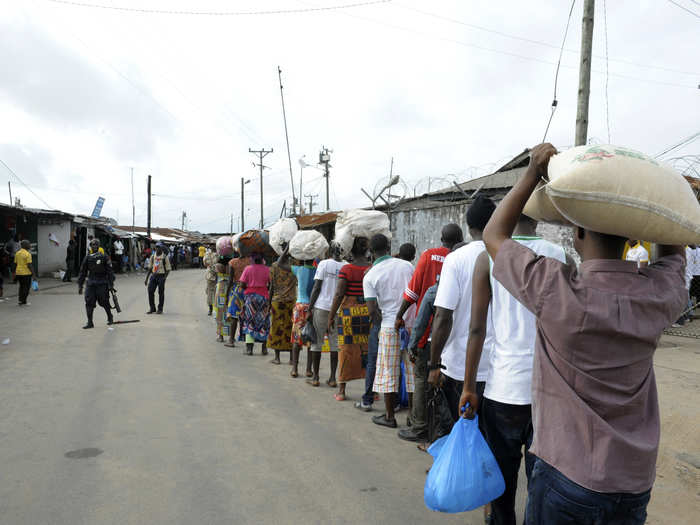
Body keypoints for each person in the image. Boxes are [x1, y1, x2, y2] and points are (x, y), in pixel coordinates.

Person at [462, 144, 686, 525]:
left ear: (577, 232)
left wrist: (532, 171)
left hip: (568, 476)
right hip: (633, 481)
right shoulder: (659, 294)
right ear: (634, 238)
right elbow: (674, 253)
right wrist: (651, 211)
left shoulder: (555, 289)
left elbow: (495, 237)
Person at [395, 223, 463, 441]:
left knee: (422, 378)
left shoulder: (429, 256)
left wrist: (400, 315)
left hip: (430, 331)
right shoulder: (463, 258)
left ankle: (420, 426)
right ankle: (435, 428)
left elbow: (413, 293)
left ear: (441, 238)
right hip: (456, 334)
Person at [363, 234, 415, 428]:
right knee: (412, 372)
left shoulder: (370, 275)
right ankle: (413, 417)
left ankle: (389, 416)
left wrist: (382, 322)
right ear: (389, 246)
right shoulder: (407, 266)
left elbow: (372, 310)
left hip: (388, 326)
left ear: (371, 251)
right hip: (410, 325)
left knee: (388, 372)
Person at [328, 237, 371, 402]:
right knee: (367, 350)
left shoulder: (347, 269)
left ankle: (342, 391)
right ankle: (371, 391)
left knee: (345, 350)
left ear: (350, 250)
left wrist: (331, 317)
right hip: (367, 312)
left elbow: (339, 294)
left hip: (348, 314)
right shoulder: (371, 268)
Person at [307, 243, 346, 387]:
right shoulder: (346, 266)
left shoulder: (323, 264)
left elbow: (317, 287)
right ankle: (332, 378)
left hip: (321, 307)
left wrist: (309, 309)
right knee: (334, 344)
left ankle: (316, 377)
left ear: (330, 251)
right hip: (338, 309)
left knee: (317, 342)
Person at [267, 245, 297, 364]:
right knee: (290, 329)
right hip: (291, 301)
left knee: (276, 328)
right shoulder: (294, 266)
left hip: (277, 301)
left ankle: (277, 358)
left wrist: (268, 303)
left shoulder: (274, 266)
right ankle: (291, 359)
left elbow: (271, 287)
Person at [77, 238, 115, 328]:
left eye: (96, 244)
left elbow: (110, 271)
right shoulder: (88, 258)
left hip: (102, 282)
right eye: (92, 245)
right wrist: (80, 285)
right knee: (89, 302)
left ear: (99, 246)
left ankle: (110, 316)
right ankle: (90, 322)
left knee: (104, 302)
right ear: (90, 246)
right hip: (91, 283)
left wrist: (111, 284)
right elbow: (82, 272)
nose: (94, 246)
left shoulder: (104, 256)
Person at [238, 252, 271, 356]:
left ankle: (249, 349)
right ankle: (264, 348)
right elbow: (270, 284)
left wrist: (248, 288)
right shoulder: (267, 269)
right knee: (264, 322)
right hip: (264, 298)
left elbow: (242, 283)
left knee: (249, 321)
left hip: (251, 298)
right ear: (262, 259)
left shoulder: (248, 269)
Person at [290, 259, 316, 378]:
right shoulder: (317, 270)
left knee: (297, 338)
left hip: (300, 306)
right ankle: (308, 370)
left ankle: (294, 369)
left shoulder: (298, 269)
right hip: (313, 306)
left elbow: (280, 263)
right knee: (310, 337)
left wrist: (286, 250)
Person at [225, 252, 251, 347]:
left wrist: (227, 295)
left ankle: (231, 339)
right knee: (245, 314)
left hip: (236, 290)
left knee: (234, 315)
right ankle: (244, 337)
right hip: (248, 289)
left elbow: (230, 280)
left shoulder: (232, 262)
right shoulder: (250, 262)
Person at [144, 243, 171, 314]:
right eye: (156, 247)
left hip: (161, 276)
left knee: (161, 293)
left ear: (161, 248)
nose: (157, 248)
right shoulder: (153, 257)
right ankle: (152, 308)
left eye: (159, 247)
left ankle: (160, 309)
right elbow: (150, 269)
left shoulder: (165, 257)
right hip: (154, 276)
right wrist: (146, 279)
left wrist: (164, 278)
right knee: (150, 291)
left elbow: (168, 269)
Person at [213, 257, 232, 342]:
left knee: (220, 313)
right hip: (230, 288)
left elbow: (215, 275)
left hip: (220, 288)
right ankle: (232, 336)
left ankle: (220, 336)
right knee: (230, 313)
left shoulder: (218, 265)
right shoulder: (231, 265)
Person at [14, 240, 34, 306]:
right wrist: (34, 275)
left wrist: (15, 274)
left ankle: (20, 300)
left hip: (18, 273)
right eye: (28, 244)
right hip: (26, 273)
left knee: (21, 287)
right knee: (26, 287)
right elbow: (29, 265)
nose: (29, 245)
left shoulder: (17, 253)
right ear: (24, 245)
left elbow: (15, 264)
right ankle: (24, 301)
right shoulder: (28, 254)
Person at [203, 246, 217, 316]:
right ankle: (213, 309)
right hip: (217, 275)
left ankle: (211, 309)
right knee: (215, 292)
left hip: (210, 275)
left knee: (210, 292)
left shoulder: (207, 254)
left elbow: (205, 263)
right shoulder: (219, 254)